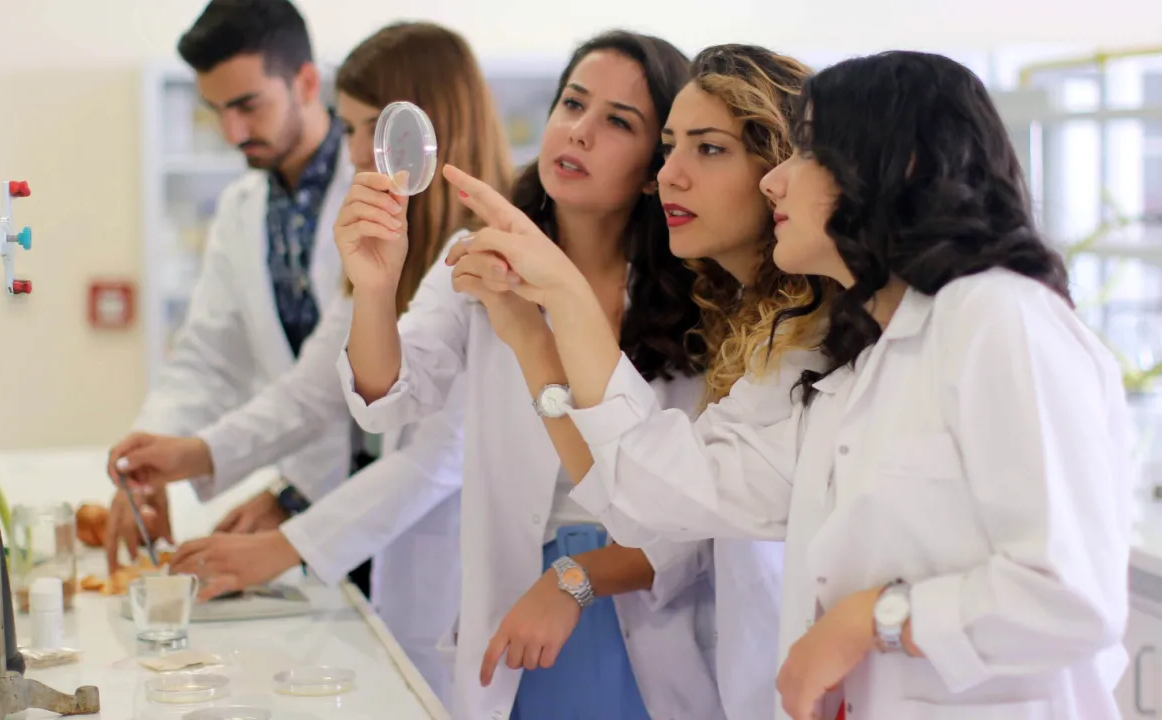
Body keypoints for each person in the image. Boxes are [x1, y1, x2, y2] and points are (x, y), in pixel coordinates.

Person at [454, 50, 1134, 720]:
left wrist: (871, 620)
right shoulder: (861, 370)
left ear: (897, 167)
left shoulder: (999, 315)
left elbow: (1070, 593)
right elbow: (657, 493)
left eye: (806, 151)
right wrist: (550, 315)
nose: (776, 181)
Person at [105, 21, 514, 703]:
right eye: (350, 129)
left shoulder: (479, 253)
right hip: (363, 537)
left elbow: (439, 451)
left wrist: (290, 539)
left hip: (449, 557)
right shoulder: (395, 243)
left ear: (426, 129)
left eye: (366, 129)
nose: (354, 151)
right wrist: (190, 454)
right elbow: (324, 383)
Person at [336, 30, 725, 720]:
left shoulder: (698, 293)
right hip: (516, 605)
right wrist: (375, 288)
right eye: (572, 103)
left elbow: (694, 518)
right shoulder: (478, 257)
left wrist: (575, 578)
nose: (579, 131)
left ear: (654, 168)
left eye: (618, 122)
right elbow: (387, 397)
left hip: (640, 599)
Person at [445, 43, 829, 719]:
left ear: (778, 169)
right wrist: (529, 331)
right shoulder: (745, 324)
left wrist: (561, 300)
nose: (668, 175)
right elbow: (638, 497)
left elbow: (655, 503)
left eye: (709, 149)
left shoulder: (812, 338)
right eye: (671, 147)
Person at [103, 0, 357, 584]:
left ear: (307, 82)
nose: (232, 133)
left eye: (247, 106)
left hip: (385, 507)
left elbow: (334, 382)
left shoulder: (373, 190)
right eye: (216, 111)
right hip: (305, 500)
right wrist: (150, 455)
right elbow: (208, 356)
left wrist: (203, 460)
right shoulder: (242, 208)